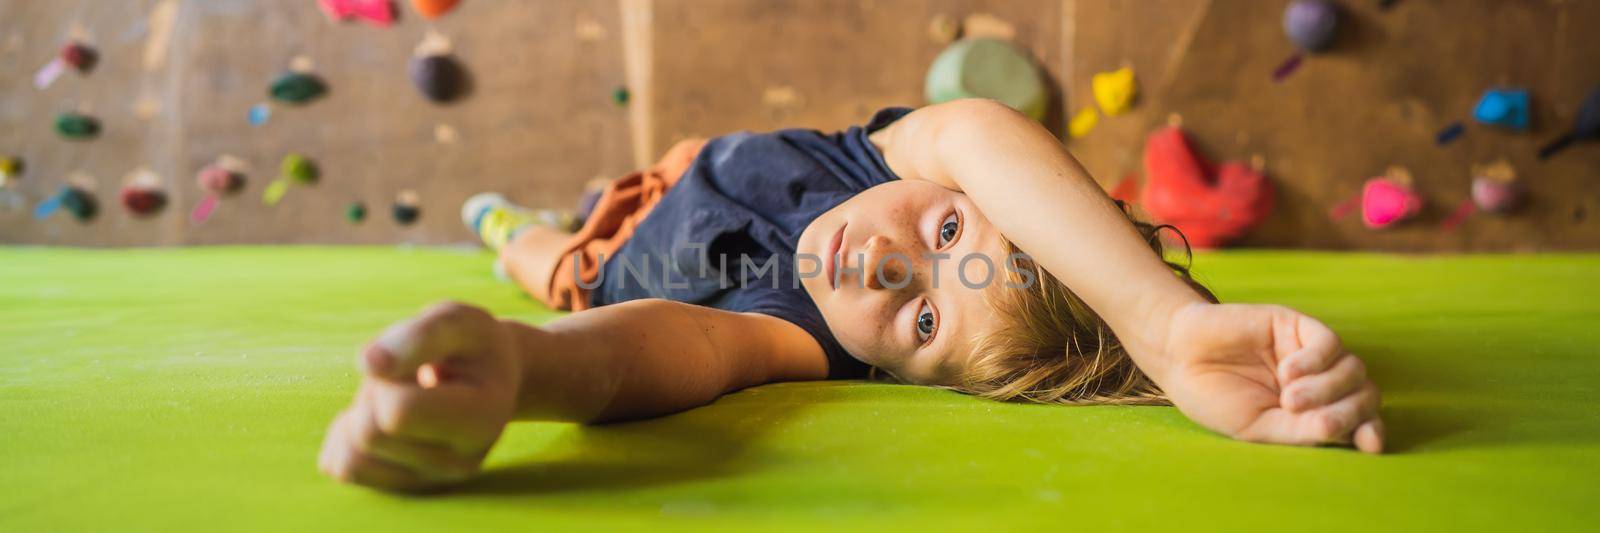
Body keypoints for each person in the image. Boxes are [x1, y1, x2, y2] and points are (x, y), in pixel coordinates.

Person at [317, 100, 1383, 491]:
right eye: (947, 228)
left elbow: (662, 347)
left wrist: (523, 364)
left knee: (539, 253)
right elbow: (973, 130)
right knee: (620, 191)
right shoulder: (894, 155)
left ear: (903, 371)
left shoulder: (803, 337)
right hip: (681, 172)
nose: (876, 266)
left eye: (922, 320)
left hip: (601, 263)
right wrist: (1166, 324)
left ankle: (495, 221)